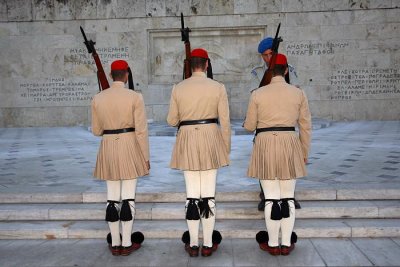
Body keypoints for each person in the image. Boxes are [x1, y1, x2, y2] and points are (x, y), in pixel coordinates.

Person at [243, 53, 311, 256]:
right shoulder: (298, 93)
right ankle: (287, 243)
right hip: (290, 143)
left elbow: (249, 126)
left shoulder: (258, 93)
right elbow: (306, 127)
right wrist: (304, 152)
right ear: (287, 70)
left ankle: (273, 244)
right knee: (288, 197)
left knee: (271, 198)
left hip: (265, 144)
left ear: (270, 71)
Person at [167, 48, 230, 257]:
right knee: (209, 196)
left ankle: (193, 244)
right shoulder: (218, 87)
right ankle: (209, 243)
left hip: (188, 140)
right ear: (207, 64)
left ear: (189, 65)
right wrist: (225, 148)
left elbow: (171, 120)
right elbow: (225, 122)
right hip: (211, 137)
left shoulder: (178, 88)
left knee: (192, 196)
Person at [91, 60, 150, 256]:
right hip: (129, 144)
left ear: (110, 75)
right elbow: (141, 131)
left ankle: (115, 242)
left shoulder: (98, 98)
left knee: (112, 197)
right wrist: (145, 157)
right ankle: (126, 242)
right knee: (128, 197)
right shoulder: (135, 97)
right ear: (126, 75)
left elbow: (96, 131)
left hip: (108, 146)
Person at [251, 37, 301, 211]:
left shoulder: (287, 68)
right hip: (265, 121)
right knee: (265, 161)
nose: (267, 58)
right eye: (264, 55)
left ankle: (289, 196)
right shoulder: (257, 72)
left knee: (287, 160)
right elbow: (254, 93)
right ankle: (265, 195)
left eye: (269, 54)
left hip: (284, 121)